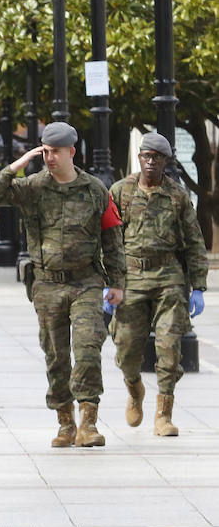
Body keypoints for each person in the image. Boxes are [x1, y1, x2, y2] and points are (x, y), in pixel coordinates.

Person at [0, 122, 125, 448]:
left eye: (55, 151)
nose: (49, 157)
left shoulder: (94, 190)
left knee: (87, 347)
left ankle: (89, 422)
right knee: (56, 355)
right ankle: (65, 422)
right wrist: (17, 164)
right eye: (45, 151)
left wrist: (117, 284)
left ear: (71, 152)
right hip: (47, 285)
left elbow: (112, 239)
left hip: (87, 282)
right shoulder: (33, 186)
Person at [106, 132, 206, 436]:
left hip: (169, 279)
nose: (151, 162)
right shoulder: (120, 192)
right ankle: (135, 390)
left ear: (166, 162)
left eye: (157, 158)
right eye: (147, 156)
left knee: (169, 346)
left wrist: (198, 286)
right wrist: (106, 281)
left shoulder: (177, 196)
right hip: (130, 278)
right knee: (126, 346)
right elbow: (108, 239)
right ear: (140, 158)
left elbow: (194, 242)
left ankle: (164, 414)